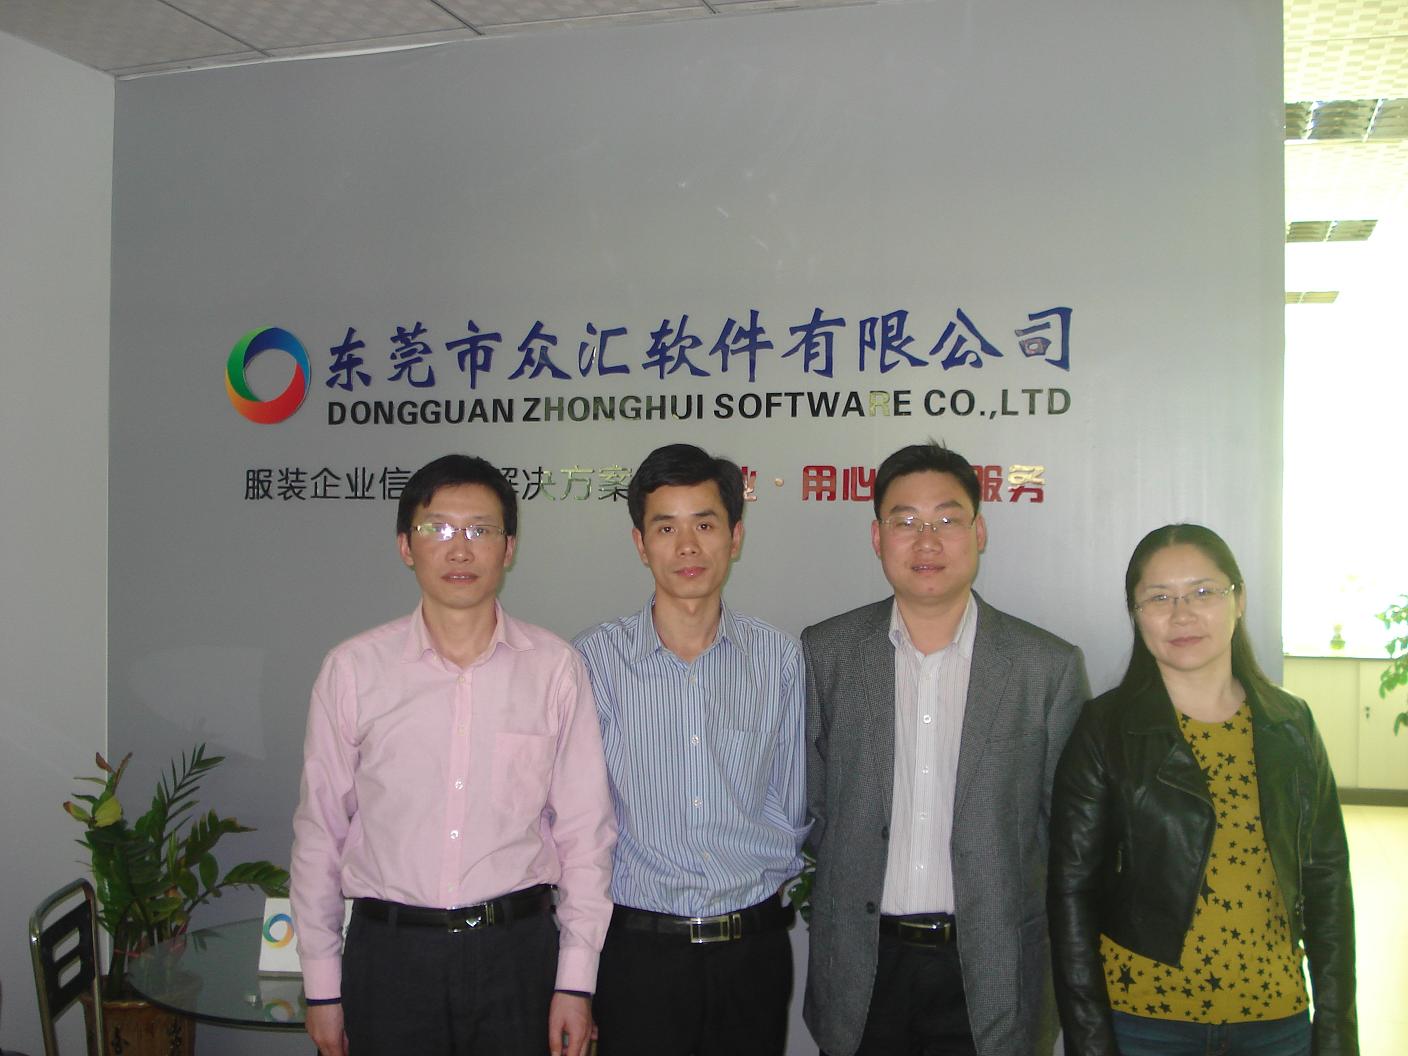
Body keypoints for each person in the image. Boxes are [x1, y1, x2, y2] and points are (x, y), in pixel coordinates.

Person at [290, 454, 616, 1056]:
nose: (460, 549)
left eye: (480, 530)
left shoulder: (554, 669)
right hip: (390, 960)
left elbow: (585, 835)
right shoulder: (353, 670)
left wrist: (575, 981)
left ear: (508, 548)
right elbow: (319, 835)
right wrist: (323, 988)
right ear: (405, 546)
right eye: (437, 528)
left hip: (518, 956)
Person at [802, 440, 1089, 1056]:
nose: (926, 541)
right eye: (904, 521)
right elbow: (816, 808)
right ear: (877, 538)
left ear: (979, 532)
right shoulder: (827, 653)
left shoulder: (1045, 667)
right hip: (863, 968)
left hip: (992, 969)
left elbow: (1062, 834)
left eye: (947, 520)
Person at [1048, 523, 1357, 1056]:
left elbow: (1327, 880)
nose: (1182, 614)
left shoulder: (1291, 724)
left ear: (1239, 600)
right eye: (1159, 597)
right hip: (1145, 1023)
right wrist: (1089, 1040)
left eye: (1203, 592)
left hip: (1275, 1019)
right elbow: (1071, 892)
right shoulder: (1105, 728)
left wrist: (1335, 1031)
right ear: (1136, 614)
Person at [573, 443, 807, 1056]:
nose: (686, 547)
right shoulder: (594, 662)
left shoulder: (778, 660)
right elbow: (576, 821)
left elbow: (793, 805)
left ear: (735, 536)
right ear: (639, 543)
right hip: (636, 955)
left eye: (704, 525)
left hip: (752, 953)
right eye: (665, 528)